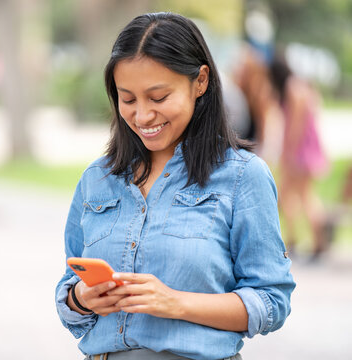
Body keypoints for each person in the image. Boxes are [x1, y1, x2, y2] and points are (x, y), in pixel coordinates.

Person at [55, 13, 295, 360]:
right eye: (128, 99)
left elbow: (272, 302)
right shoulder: (97, 179)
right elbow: (68, 290)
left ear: (200, 81)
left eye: (158, 97)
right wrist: (80, 298)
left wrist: (175, 303)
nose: (142, 115)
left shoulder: (244, 177)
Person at [268, 53, 330, 258]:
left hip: (301, 151)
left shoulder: (292, 88)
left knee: (299, 196)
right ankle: (304, 239)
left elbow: (295, 124)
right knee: (295, 196)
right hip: (308, 149)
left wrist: (289, 153)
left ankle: (311, 240)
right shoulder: (301, 85)